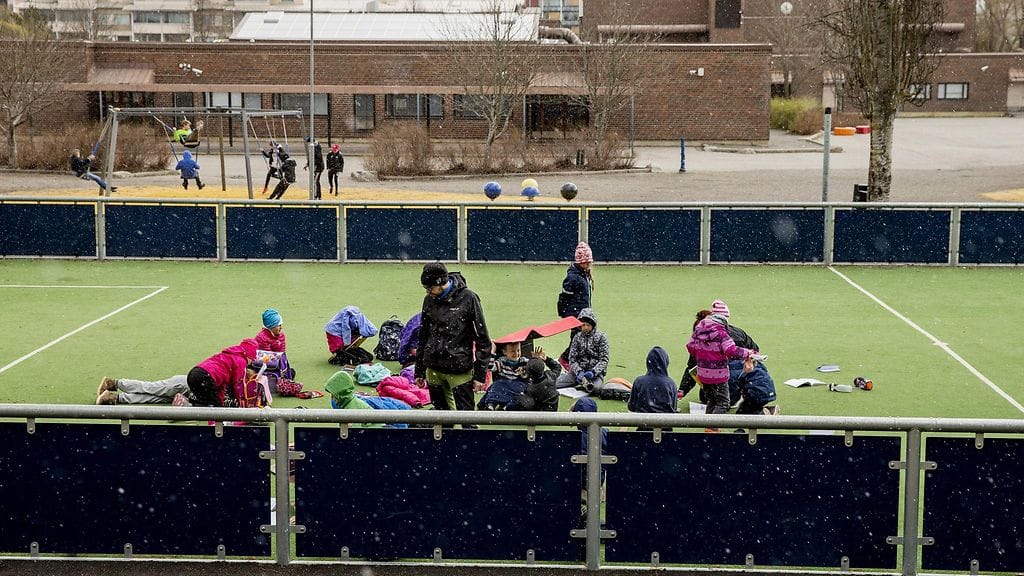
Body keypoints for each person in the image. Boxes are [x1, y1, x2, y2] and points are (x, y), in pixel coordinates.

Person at [414, 262, 491, 414]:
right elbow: (423, 335)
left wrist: (479, 376)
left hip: (459, 370)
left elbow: (482, 338)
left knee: (467, 419)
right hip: (433, 368)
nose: (427, 292)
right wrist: (419, 371)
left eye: (430, 288)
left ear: (441, 283)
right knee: (440, 417)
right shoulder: (429, 299)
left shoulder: (469, 298)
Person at [679, 300, 759, 404]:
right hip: (733, 380)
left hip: (714, 380)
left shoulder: (701, 339)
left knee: (715, 401)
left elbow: (692, 367)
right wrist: (750, 358)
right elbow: (755, 350)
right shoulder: (736, 333)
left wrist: (682, 390)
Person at [187, 338, 260, 407]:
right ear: (249, 355)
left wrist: (221, 402)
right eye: (252, 359)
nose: (251, 362)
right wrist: (240, 401)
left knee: (206, 402)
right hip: (205, 377)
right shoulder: (241, 361)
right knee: (214, 407)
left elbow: (221, 387)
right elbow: (237, 384)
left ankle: (189, 405)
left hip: (194, 373)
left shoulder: (227, 356)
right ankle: (189, 407)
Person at [557, 241, 594, 368]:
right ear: (579, 262)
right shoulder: (573, 278)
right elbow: (564, 296)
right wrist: (563, 313)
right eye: (585, 262)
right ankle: (565, 359)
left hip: (582, 313)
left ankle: (573, 359)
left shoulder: (583, 274)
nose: (588, 264)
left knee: (581, 337)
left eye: (589, 262)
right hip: (575, 315)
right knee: (577, 338)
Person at [555, 308, 610, 393]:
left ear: (593, 325)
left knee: (596, 389)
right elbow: (572, 359)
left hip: (595, 374)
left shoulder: (602, 338)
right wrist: (578, 371)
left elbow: (604, 360)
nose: (585, 328)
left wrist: (593, 372)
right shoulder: (577, 337)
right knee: (556, 383)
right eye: (583, 325)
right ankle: (576, 380)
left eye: (588, 325)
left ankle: (583, 383)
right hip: (577, 373)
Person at [627, 346, 678, 415]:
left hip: (642, 420)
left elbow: (631, 406)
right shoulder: (670, 384)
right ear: (665, 362)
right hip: (665, 420)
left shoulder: (639, 381)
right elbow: (674, 408)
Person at [96, 374, 192, 405]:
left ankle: (113, 398)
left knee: (152, 398)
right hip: (184, 384)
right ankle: (112, 384)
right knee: (149, 387)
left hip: (191, 395)